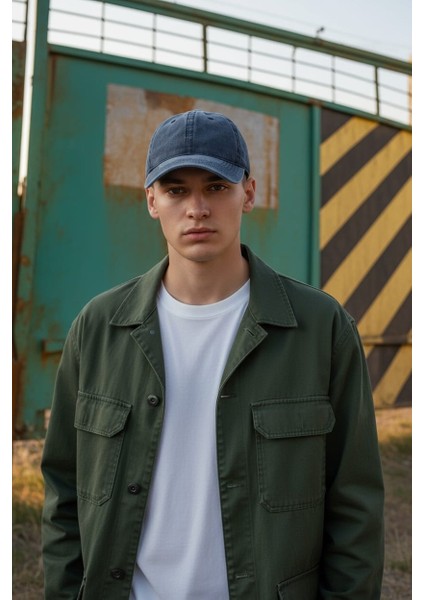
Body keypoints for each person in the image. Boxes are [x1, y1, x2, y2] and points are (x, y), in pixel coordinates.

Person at [41, 109, 384, 599]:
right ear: (152, 200)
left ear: (249, 192)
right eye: (176, 190)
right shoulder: (98, 328)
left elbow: (355, 505)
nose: (197, 208)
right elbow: (63, 494)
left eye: (217, 187)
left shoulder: (320, 328)